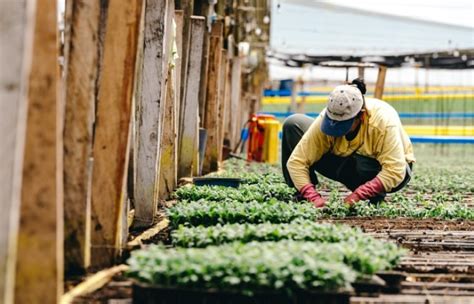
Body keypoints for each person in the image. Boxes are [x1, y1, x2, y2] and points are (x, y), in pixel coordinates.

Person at [281, 78, 415, 207]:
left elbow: (395, 171)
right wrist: (311, 195)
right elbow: (296, 161)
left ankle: (375, 193)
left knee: (363, 162)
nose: (335, 127)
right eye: (332, 122)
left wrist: (359, 194)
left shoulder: (383, 123)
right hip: (348, 163)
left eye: (343, 124)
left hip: (390, 170)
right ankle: (301, 195)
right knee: (293, 123)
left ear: (361, 116)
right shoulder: (331, 114)